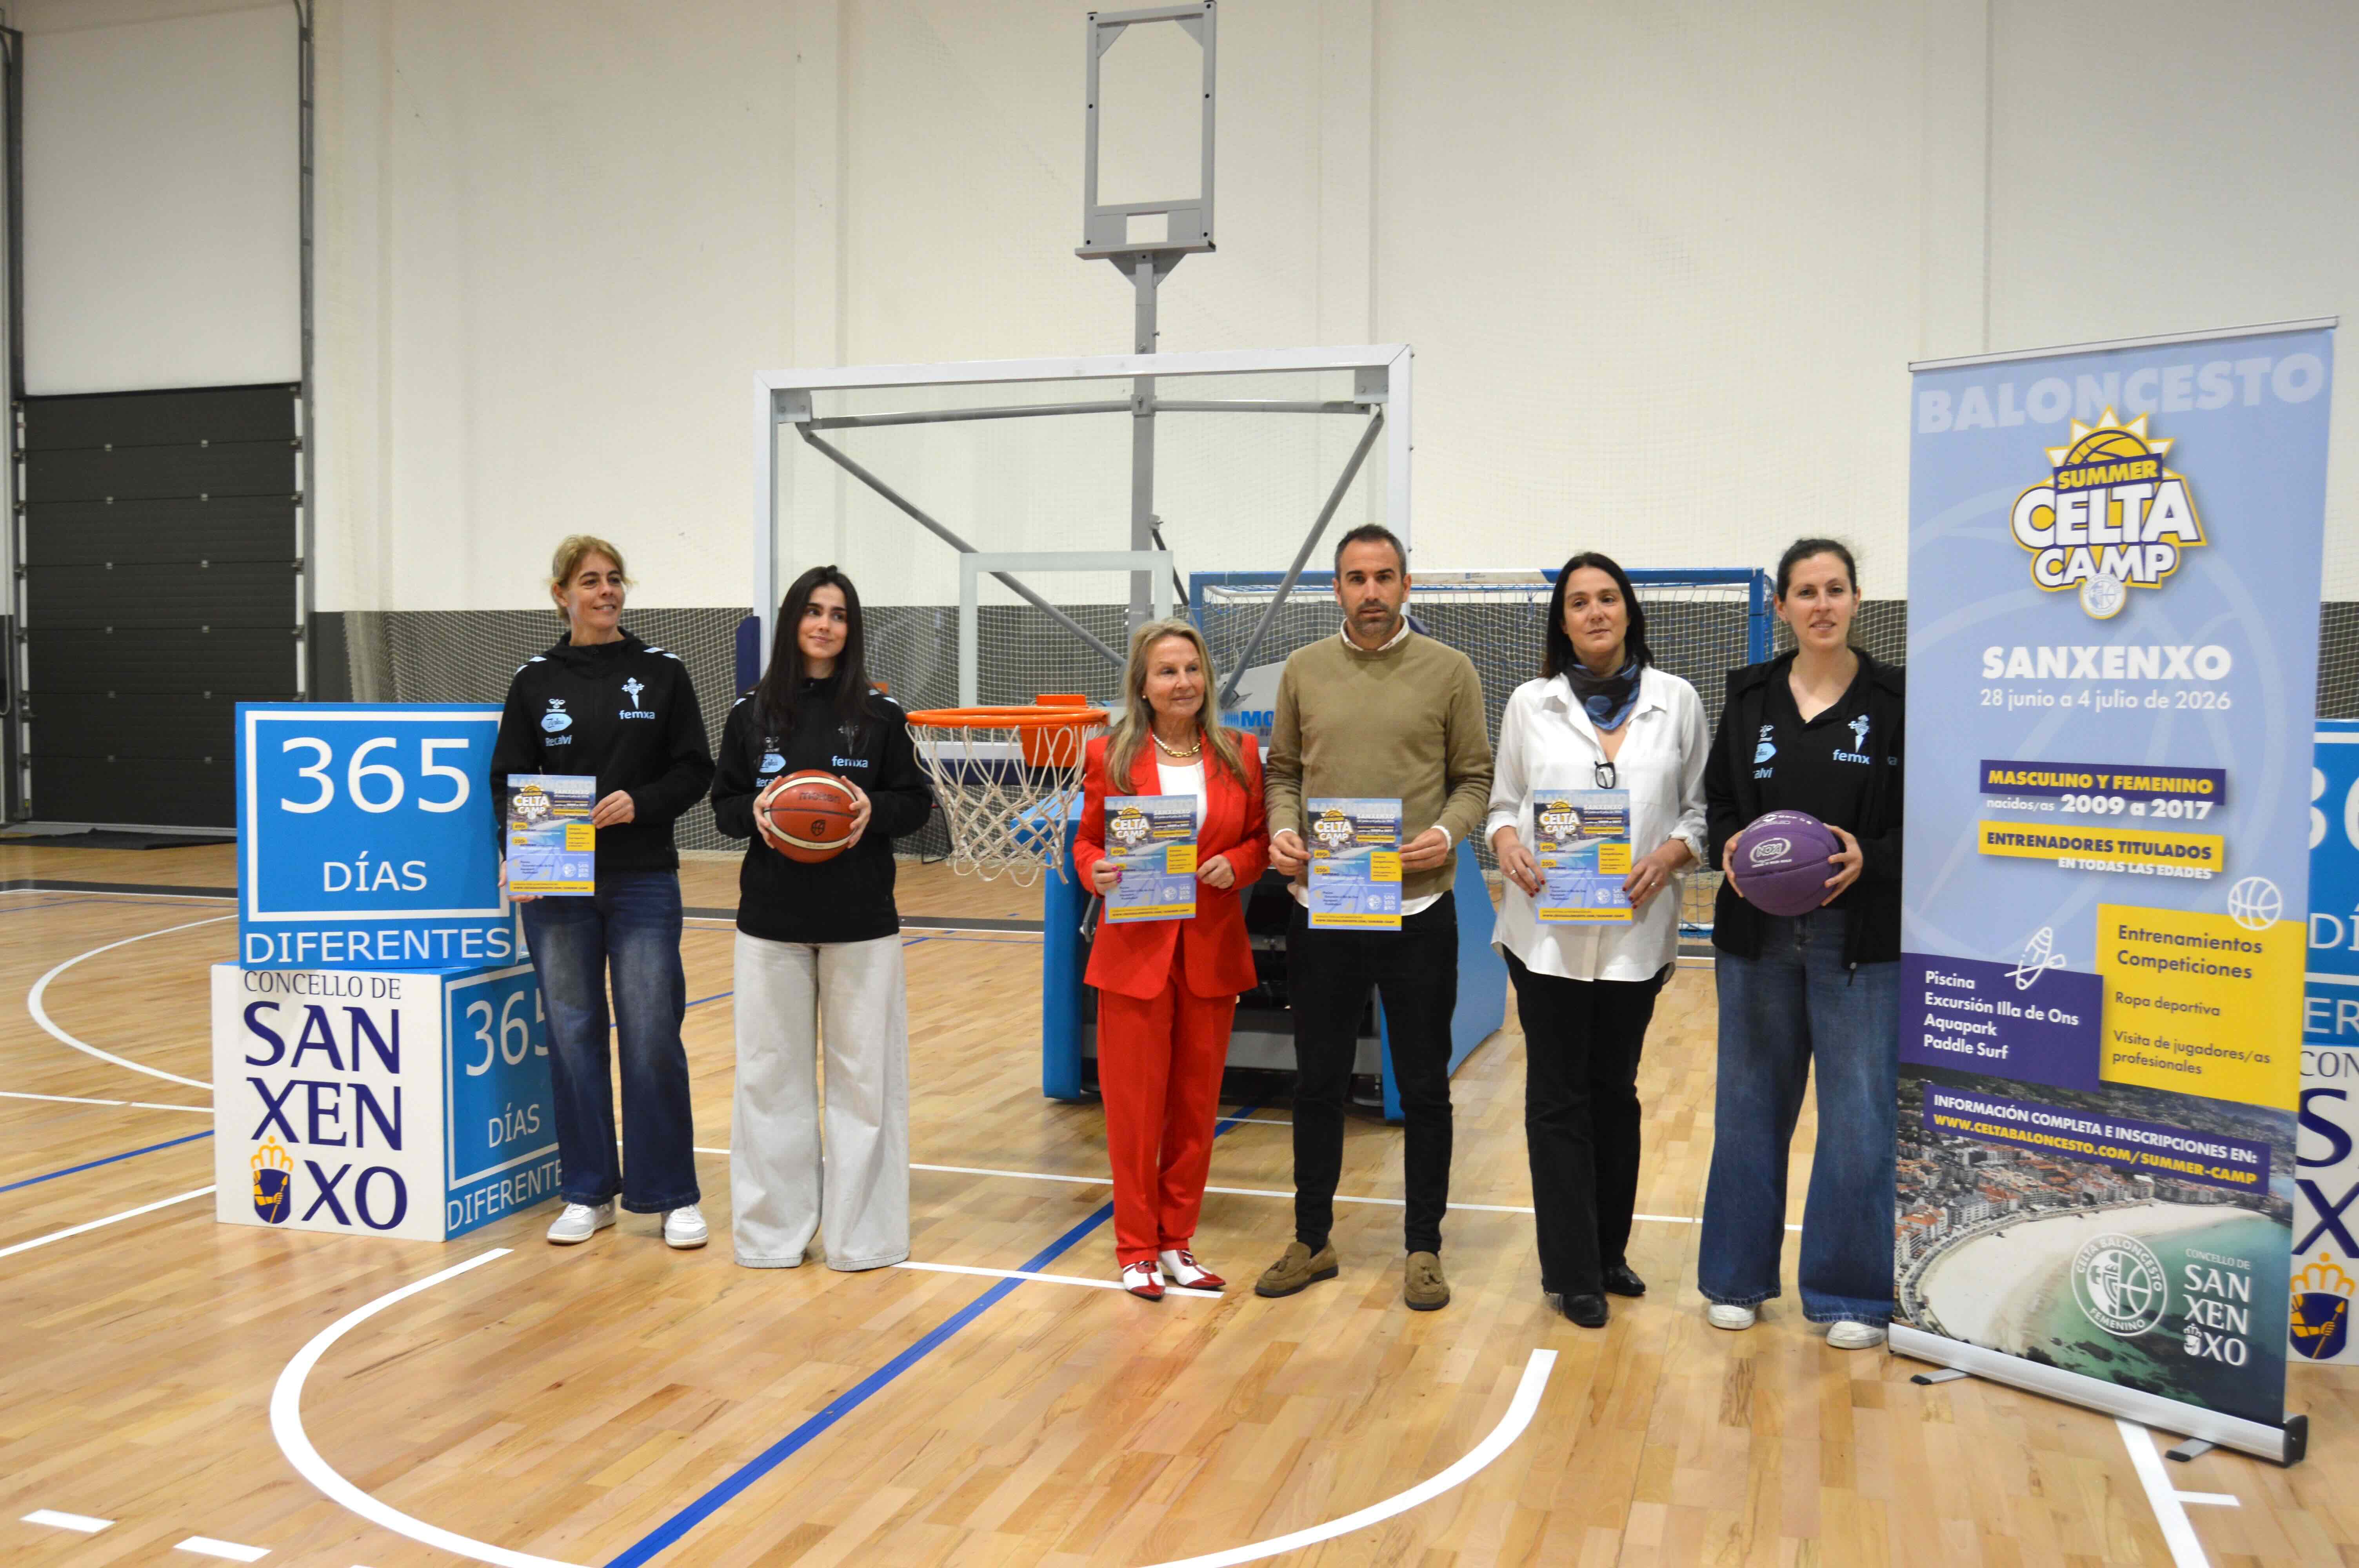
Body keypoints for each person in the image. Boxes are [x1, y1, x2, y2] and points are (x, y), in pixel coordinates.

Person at [1256, 523, 1494, 1311]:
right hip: (1322, 907)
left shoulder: (1450, 670)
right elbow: (1282, 771)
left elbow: (1473, 777)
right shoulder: (1302, 669)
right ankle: (1310, 1236)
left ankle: (1422, 1247)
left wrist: (1449, 832)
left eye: (1383, 576)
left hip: (1418, 909)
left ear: (1405, 585)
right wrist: (1281, 828)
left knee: (1424, 1086)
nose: (1369, 591)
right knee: (1317, 1082)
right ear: (1335, 589)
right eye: (1355, 578)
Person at [1488, 552, 1707, 1328]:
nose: (1593, 612)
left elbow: (1697, 811)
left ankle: (1608, 1251)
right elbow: (1500, 804)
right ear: (1562, 619)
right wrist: (1507, 844)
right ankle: (1570, 1270)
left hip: (1633, 938)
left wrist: (1672, 852)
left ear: (1627, 609)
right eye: (1578, 602)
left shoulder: (1675, 702)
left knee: (1614, 1093)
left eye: (1606, 598)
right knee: (1556, 1098)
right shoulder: (1529, 703)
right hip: (1543, 937)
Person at [1697, 538, 1905, 1348]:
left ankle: (1847, 1291)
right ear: (1779, 606)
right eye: (1804, 591)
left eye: (1835, 589)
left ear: (1857, 599)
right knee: (1748, 1105)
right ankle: (1734, 1278)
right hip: (1755, 937)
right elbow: (1718, 800)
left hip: (1860, 941)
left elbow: (1923, 812)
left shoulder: (1894, 698)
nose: (1821, 604)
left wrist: (1869, 857)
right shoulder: (1747, 695)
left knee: (1857, 1118)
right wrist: (1726, 847)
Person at [491, 535, 714, 1248]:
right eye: (590, 580)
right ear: (562, 594)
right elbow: (509, 779)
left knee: (651, 1035)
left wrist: (641, 803)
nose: (607, 591)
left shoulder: (663, 673)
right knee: (574, 1035)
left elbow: (693, 769)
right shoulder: (533, 681)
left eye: (615, 579)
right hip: (558, 884)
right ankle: (588, 1190)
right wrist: (516, 855)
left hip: (643, 876)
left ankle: (670, 1193)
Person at [711, 566, 933, 1271]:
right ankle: (771, 1234)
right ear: (792, 622)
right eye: (813, 611)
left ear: (851, 629)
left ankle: (862, 1237)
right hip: (770, 921)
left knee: (864, 1083)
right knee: (769, 1080)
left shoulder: (880, 716)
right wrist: (756, 809)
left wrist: (871, 814)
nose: (825, 625)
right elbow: (721, 808)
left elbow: (916, 805)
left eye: (838, 614)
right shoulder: (751, 714)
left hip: (862, 921)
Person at [1073, 620, 1270, 1300]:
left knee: (1194, 1107)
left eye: (1192, 669)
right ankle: (1135, 1247)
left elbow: (1260, 840)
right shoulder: (1110, 756)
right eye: (1167, 672)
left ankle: (1177, 1243)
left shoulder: (1242, 752)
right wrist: (1097, 868)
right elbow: (1088, 843)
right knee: (1133, 1110)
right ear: (1144, 686)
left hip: (1211, 952)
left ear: (1207, 679)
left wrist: (1237, 865)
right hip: (1134, 955)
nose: (1182, 682)